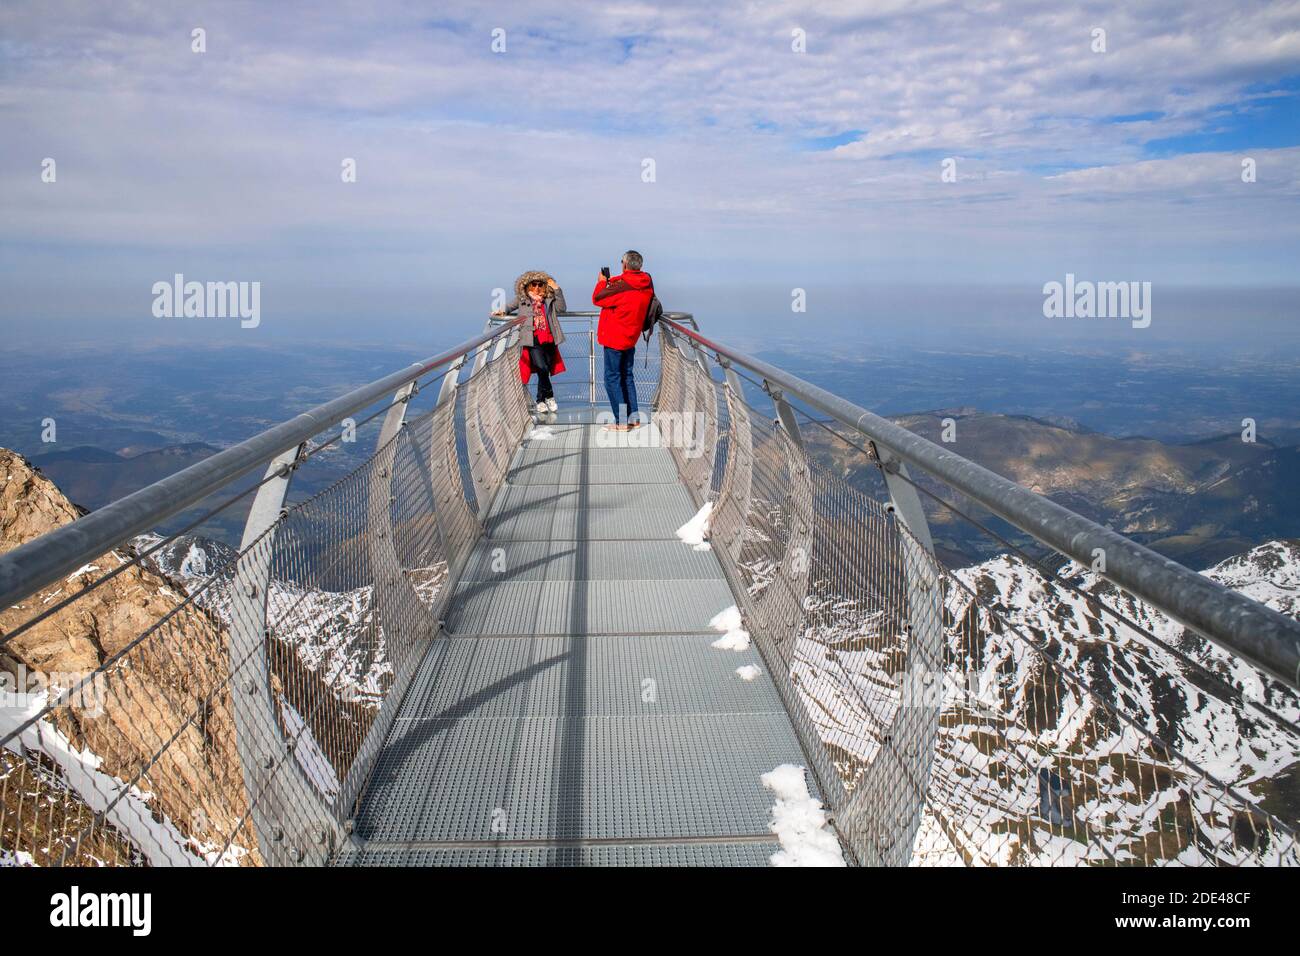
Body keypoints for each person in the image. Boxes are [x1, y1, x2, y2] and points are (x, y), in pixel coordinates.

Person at [592, 250, 654, 430]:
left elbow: (598, 298)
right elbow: (628, 288)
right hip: (631, 337)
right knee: (627, 376)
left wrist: (602, 282)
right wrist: (614, 280)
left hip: (614, 338)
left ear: (625, 264)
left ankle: (620, 421)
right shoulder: (647, 283)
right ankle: (633, 418)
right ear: (640, 265)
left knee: (612, 378)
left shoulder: (621, 284)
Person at [497, 271, 567, 414]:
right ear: (527, 285)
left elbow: (562, 308)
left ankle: (540, 400)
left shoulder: (550, 298)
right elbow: (509, 306)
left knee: (546, 369)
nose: (536, 288)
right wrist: (501, 311)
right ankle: (550, 396)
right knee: (541, 368)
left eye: (540, 284)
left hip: (549, 338)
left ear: (544, 286)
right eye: (533, 284)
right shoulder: (522, 299)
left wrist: (557, 289)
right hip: (532, 338)